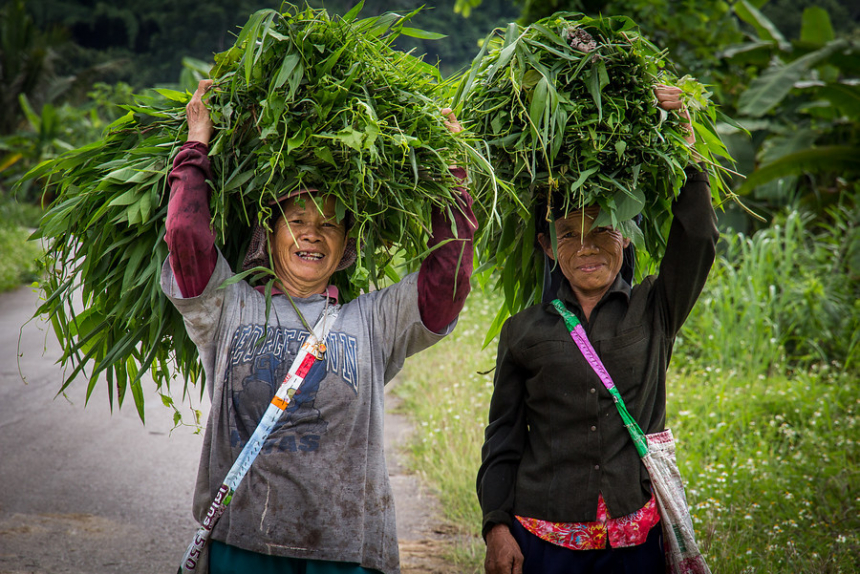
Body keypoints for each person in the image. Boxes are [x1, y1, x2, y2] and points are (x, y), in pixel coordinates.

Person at [163, 79, 477, 574]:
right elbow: (185, 234)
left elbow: (448, 280)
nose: (312, 231)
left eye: (329, 223)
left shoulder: (372, 319)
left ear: (346, 244)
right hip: (244, 540)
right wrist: (197, 144)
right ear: (270, 233)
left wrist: (451, 175)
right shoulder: (228, 306)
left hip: (346, 546)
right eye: (298, 219)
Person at [476, 86, 719, 574]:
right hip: (544, 537)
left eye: (602, 229)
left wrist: (686, 146)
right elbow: (503, 438)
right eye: (569, 234)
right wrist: (497, 528)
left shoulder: (655, 308)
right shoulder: (523, 331)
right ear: (549, 248)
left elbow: (698, 236)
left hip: (635, 539)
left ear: (624, 236)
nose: (587, 247)